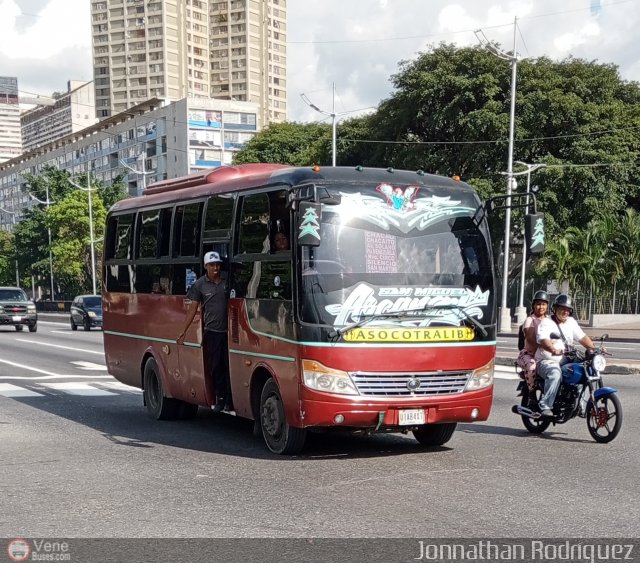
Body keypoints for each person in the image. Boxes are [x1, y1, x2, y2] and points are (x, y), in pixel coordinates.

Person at [177, 251, 232, 412]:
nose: (216, 268)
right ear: (205, 266)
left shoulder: (227, 280)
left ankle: (230, 398)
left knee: (230, 365)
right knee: (216, 366)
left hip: (229, 332)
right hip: (213, 332)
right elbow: (193, 309)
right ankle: (220, 398)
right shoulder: (200, 285)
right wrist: (183, 331)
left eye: (218, 265)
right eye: (212, 265)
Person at [534, 294, 596, 417]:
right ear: (555, 309)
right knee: (555, 373)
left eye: (568, 309)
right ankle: (545, 405)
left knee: (584, 370)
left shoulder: (571, 322)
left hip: (566, 359)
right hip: (546, 361)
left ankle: (579, 404)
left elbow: (582, 337)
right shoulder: (547, 322)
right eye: (562, 308)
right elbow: (543, 340)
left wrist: (594, 349)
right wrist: (553, 349)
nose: (565, 312)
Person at [516, 290, 549, 392]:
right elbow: (529, 337)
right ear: (534, 305)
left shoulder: (550, 320)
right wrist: (543, 346)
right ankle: (531, 394)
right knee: (532, 367)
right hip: (530, 354)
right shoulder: (530, 320)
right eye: (538, 304)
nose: (541, 307)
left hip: (546, 354)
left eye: (543, 304)